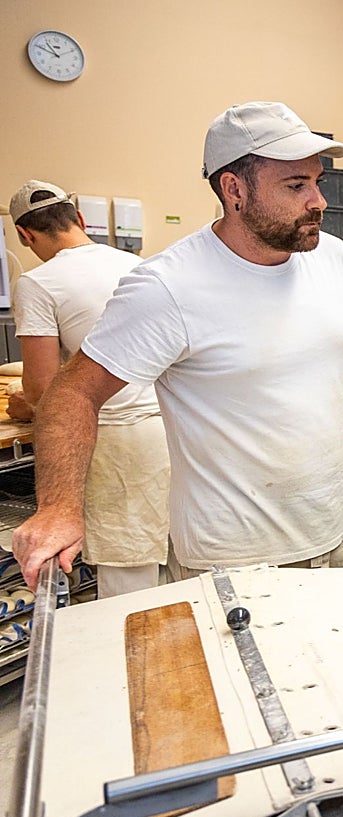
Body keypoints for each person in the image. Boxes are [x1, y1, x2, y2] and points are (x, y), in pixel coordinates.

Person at [13, 102, 343, 588]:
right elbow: (71, 393)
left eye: (317, 182)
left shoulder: (333, 257)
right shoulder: (168, 286)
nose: (318, 201)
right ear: (234, 189)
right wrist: (59, 506)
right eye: (295, 185)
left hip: (341, 532)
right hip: (235, 558)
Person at [6, 180, 170, 598]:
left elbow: (44, 391)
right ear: (79, 219)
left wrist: (26, 406)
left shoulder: (38, 283)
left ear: (25, 235)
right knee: (172, 560)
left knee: (127, 578)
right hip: (173, 428)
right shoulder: (142, 265)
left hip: (116, 439)